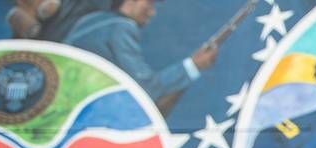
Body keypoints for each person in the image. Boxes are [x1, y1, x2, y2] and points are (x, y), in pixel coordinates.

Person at [63, 0, 218, 109]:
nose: (152, 12)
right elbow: (146, 88)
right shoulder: (122, 27)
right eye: (149, 3)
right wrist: (193, 66)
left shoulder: (89, 21)